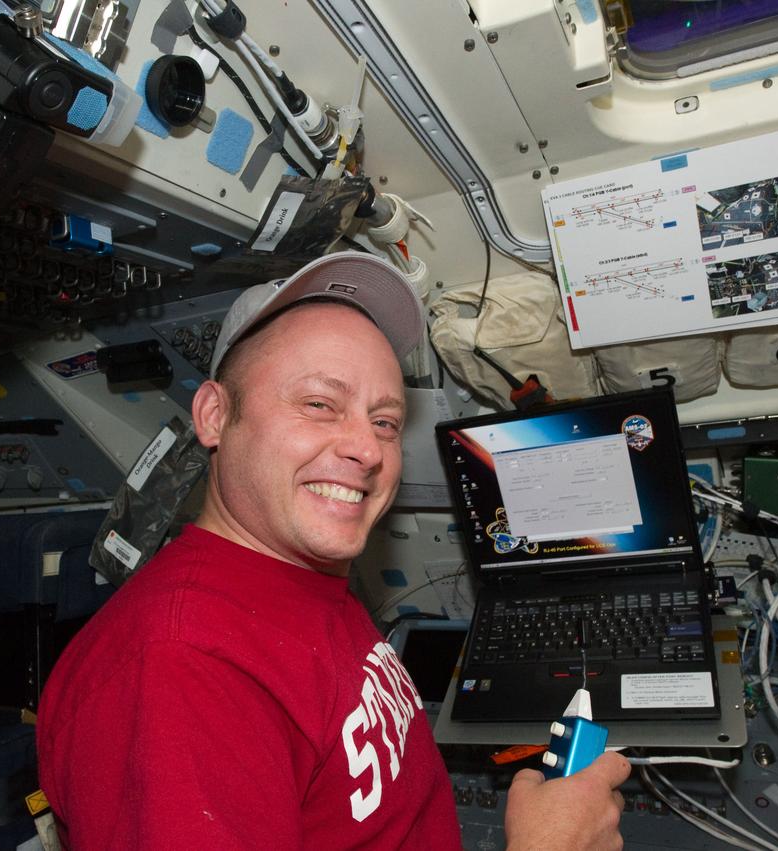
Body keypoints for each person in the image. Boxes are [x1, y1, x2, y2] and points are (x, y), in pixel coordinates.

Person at [37, 251, 629, 849]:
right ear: (216, 416)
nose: (367, 450)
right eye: (320, 404)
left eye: (385, 422)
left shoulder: (302, 580)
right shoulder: (178, 666)